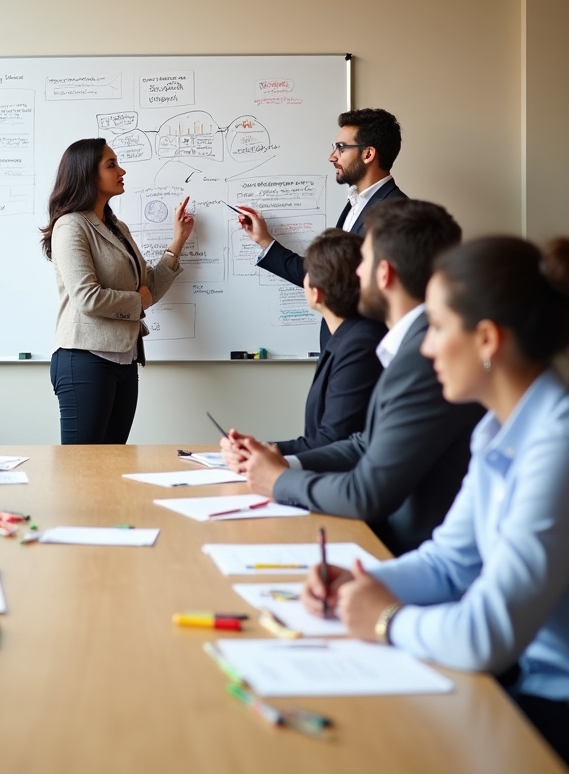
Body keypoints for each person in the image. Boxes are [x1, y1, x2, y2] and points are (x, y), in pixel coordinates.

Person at [302, 236, 569, 765]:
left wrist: (384, 620)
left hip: (551, 704)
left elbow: (488, 634)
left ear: (487, 339)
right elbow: (451, 562)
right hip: (515, 680)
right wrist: (366, 585)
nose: (425, 348)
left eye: (439, 328)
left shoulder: (557, 445)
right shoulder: (497, 429)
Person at [223, 200, 482, 555]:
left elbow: (367, 492)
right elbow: (365, 443)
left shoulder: (424, 356)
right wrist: (281, 460)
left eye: (365, 262)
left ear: (384, 274)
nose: (356, 275)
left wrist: (281, 480)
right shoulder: (409, 345)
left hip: (408, 549)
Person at [42, 138, 194, 444]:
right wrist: (139, 301)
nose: (121, 170)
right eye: (111, 165)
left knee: (111, 464)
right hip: (85, 358)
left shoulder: (117, 227)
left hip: (125, 360)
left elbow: (148, 286)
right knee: (81, 468)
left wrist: (177, 242)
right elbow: (87, 297)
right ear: (87, 174)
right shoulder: (71, 225)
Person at [238, 108, 406, 349]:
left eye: (341, 148)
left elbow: (377, 294)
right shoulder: (355, 205)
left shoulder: (396, 212)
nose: (332, 156)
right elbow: (327, 276)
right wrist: (264, 241)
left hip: (362, 351)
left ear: (368, 154)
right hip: (341, 346)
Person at [223, 229, 385, 460]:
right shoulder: (349, 337)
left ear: (316, 294)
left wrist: (266, 453)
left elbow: (333, 441)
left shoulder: (358, 346)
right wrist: (261, 450)